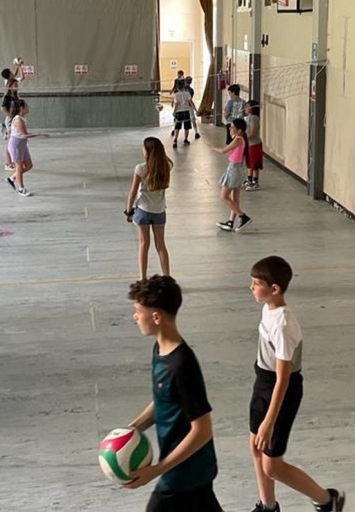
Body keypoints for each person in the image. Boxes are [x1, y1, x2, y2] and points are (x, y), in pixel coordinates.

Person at [247, 256, 345, 512]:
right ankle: (268, 506)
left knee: (272, 466)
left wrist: (269, 421)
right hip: (263, 382)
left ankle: (327, 500)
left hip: (281, 390)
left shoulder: (283, 325)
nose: (251, 287)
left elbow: (284, 378)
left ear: (275, 289)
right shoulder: (268, 309)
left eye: (256, 283)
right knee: (255, 447)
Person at [124, 276, 223, 512]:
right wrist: (131, 430)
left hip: (186, 473)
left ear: (156, 317)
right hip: (189, 471)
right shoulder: (160, 349)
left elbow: (202, 430)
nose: (135, 317)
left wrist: (156, 470)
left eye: (138, 312)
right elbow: (163, 400)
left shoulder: (181, 366)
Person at [125, 137, 172, 282]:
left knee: (144, 244)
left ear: (147, 151)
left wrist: (128, 211)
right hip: (159, 211)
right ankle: (167, 277)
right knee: (161, 245)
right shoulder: (167, 166)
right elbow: (166, 160)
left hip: (143, 211)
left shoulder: (140, 169)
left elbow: (133, 192)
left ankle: (143, 278)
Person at [214, 117, 250, 231]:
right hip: (237, 169)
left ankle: (242, 216)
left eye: (232, 127)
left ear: (239, 130)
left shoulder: (238, 139)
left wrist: (213, 148)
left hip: (234, 169)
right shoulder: (240, 139)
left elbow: (223, 151)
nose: (230, 129)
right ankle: (230, 222)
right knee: (235, 198)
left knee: (224, 197)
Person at [6, 99, 35, 197]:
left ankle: (11, 178)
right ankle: (21, 189)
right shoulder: (18, 120)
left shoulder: (21, 118)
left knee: (29, 165)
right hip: (16, 145)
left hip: (22, 145)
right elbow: (25, 134)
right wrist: (39, 135)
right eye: (26, 105)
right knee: (19, 167)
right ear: (22, 108)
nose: (28, 107)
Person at [1, 57, 25, 170]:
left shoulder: (11, 84)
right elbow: (3, 109)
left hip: (13, 118)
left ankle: (13, 162)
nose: (17, 87)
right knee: (10, 142)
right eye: (15, 86)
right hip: (10, 119)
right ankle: (8, 164)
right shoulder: (8, 94)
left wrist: (18, 66)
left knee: (14, 141)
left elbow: (15, 75)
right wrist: (11, 117)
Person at [244, 99, 263, 191]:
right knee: (249, 162)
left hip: (254, 144)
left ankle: (255, 182)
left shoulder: (254, 118)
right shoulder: (248, 118)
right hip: (248, 144)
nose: (245, 108)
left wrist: (243, 138)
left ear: (252, 109)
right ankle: (249, 179)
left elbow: (253, 132)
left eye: (247, 107)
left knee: (255, 163)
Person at [170, 80, 195, 148]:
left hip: (179, 112)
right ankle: (186, 139)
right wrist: (195, 109)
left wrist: (174, 112)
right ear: (184, 86)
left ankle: (175, 140)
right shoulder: (187, 93)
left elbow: (176, 104)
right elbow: (191, 102)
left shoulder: (176, 95)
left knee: (177, 127)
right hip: (186, 111)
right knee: (186, 127)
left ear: (177, 88)